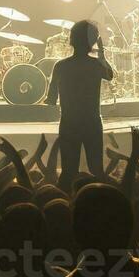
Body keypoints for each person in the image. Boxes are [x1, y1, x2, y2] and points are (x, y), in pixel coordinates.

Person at [44, 20, 114, 183]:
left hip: (69, 122)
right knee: (97, 169)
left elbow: (51, 99)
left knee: (69, 171)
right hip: (92, 122)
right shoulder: (96, 65)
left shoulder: (61, 66)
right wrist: (101, 53)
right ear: (93, 41)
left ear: (72, 40)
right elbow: (109, 75)